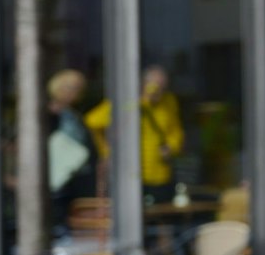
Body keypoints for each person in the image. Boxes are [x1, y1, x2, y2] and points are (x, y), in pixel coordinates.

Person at [85, 64, 184, 205]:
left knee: (161, 212)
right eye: (156, 85)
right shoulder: (127, 100)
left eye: (163, 86)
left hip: (160, 172)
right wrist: (106, 151)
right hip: (132, 173)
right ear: (144, 83)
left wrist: (171, 147)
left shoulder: (169, 101)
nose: (159, 91)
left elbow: (175, 131)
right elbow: (93, 122)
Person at [46, 69, 99, 236]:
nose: (75, 93)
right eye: (71, 87)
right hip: (58, 180)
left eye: (78, 88)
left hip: (78, 178)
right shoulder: (50, 114)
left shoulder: (74, 114)